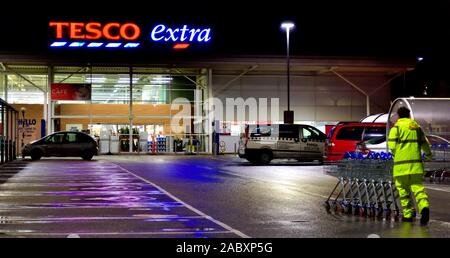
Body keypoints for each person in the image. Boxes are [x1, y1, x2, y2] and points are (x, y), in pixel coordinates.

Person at [388, 107, 432, 225]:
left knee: (403, 191)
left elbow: (391, 146)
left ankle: (408, 215)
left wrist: (397, 155)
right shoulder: (416, 128)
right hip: (416, 166)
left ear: (398, 116)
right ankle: (424, 208)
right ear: (409, 115)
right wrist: (428, 155)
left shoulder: (396, 128)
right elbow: (425, 144)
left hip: (400, 167)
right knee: (418, 189)